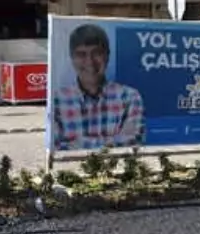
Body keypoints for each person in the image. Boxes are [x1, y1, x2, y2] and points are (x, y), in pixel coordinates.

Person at [52, 24, 145, 152]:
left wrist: (76, 144)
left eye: (97, 53)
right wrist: (112, 141)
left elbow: (132, 141)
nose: (90, 61)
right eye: (81, 54)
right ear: (72, 58)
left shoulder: (129, 97)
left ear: (107, 55)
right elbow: (55, 145)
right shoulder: (56, 100)